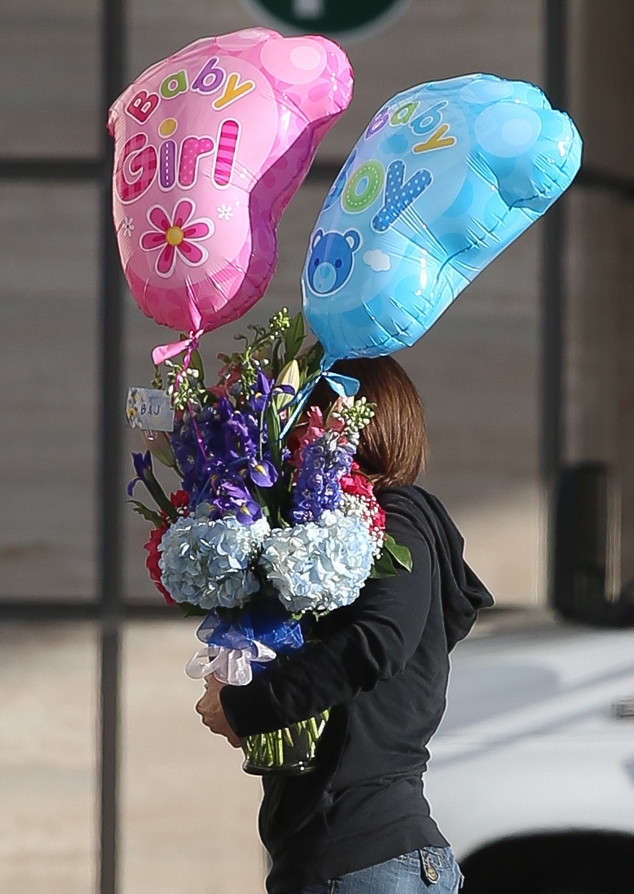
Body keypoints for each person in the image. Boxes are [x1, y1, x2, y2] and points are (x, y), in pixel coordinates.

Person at [196, 355, 493, 894]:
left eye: (298, 424)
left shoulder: (396, 522)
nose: (290, 446)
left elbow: (377, 642)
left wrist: (247, 707)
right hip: (347, 858)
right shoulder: (352, 528)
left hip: (363, 856)